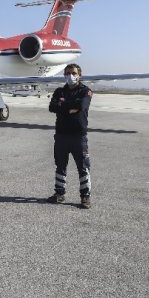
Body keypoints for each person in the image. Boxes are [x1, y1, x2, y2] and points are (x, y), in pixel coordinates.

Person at [46, 63, 93, 208]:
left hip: (78, 136)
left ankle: (85, 197)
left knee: (83, 167)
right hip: (61, 135)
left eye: (73, 73)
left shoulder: (86, 91)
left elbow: (82, 105)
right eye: (67, 73)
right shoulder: (59, 91)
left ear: (80, 75)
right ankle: (59, 194)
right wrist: (70, 106)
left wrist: (63, 105)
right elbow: (52, 107)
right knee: (60, 166)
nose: (70, 76)